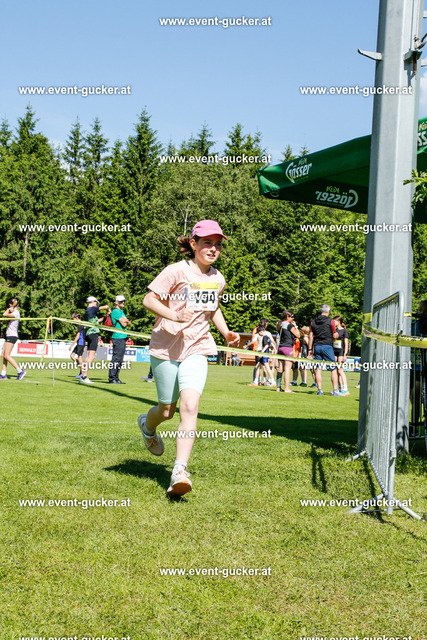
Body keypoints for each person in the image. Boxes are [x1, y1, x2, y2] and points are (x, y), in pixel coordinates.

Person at [139, 219, 239, 496]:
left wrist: (226, 332)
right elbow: (149, 300)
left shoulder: (217, 278)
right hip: (166, 347)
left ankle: (179, 471)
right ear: (193, 244)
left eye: (218, 244)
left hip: (198, 345)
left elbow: (212, 308)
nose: (213, 249)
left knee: (190, 406)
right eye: (207, 243)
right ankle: (147, 426)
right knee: (166, 411)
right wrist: (174, 314)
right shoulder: (176, 271)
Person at [308, 304, 340, 396]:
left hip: (317, 346)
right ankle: (335, 390)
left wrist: (310, 349)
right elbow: (334, 335)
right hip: (327, 346)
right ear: (328, 311)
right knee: (333, 368)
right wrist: (336, 336)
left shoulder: (313, 322)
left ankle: (320, 390)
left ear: (320, 311)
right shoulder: (331, 321)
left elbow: (311, 336)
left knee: (318, 368)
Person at [80, 296, 111, 385]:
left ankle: (83, 376)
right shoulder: (92, 308)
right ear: (93, 301)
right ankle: (84, 376)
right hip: (93, 335)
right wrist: (108, 309)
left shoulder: (88, 311)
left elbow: (96, 321)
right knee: (91, 357)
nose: (96, 305)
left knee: (87, 357)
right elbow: (105, 307)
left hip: (89, 334)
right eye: (96, 303)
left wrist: (105, 317)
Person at [1, 298, 26, 380]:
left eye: (10, 304)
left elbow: (4, 314)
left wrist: (8, 310)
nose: (9, 305)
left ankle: (20, 371)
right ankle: (3, 374)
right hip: (8, 335)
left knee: (6, 355)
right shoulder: (12, 313)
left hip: (12, 336)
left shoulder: (16, 313)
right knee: (3, 355)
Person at [109, 295, 132, 384]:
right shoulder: (115, 311)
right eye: (121, 301)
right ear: (116, 302)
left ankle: (116, 377)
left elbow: (129, 323)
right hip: (118, 337)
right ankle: (112, 378)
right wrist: (127, 321)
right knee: (116, 358)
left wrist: (126, 321)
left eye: (124, 301)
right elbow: (124, 324)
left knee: (120, 359)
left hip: (122, 337)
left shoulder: (122, 312)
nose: (123, 303)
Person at [276, 310, 300, 393]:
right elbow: (298, 335)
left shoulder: (279, 324)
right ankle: (287, 388)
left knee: (280, 368)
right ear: (287, 317)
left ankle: (278, 387)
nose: (293, 318)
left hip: (280, 347)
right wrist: (295, 326)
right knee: (287, 369)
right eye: (292, 316)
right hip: (287, 348)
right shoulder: (289, 325)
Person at [333, 315, 350, 395]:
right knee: (336, 370)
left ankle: (345, 389)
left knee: (340, 370)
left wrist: (345, 354)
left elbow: (346, 344)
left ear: (338, 322)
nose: (333, 323)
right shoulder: (335, 331)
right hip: (335, 351)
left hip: (341, 352)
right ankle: (339, 388)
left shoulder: (344, 331)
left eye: (334, 321)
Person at [69, 312, 85, 379]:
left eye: (73, 319)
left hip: (80, 343)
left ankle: (82, 373)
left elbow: (78, 336)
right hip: (80, 343)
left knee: (79, 357)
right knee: (72, 356)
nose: (73, 320)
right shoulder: (82, 324)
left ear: (76, 318)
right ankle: (81, 367)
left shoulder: (80, 325)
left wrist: (72, 345)